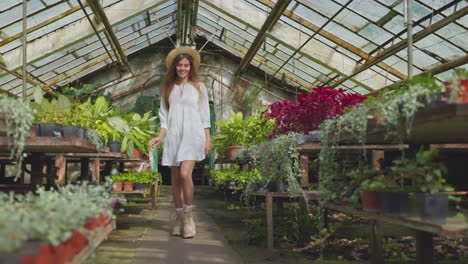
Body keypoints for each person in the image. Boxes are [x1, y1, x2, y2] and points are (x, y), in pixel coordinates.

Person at [149, 46, 211, 239]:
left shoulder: (199, 87)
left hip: (193, 136)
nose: (182, 68)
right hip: (174, 135)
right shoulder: (168, 88)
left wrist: (207, 139)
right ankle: (179, 218)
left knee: (185, 174)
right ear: (174, 67)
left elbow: (205, 115)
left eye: (186, 65)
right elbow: (164, 117)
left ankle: (189, 217)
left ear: (191, 67)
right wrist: (160, 136)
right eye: (179, 65)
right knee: (175, 179)